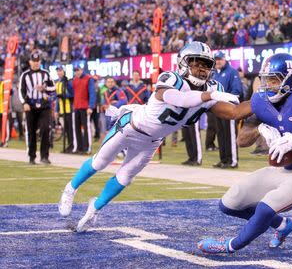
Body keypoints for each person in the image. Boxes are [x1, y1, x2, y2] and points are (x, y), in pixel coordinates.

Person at [58, 42, 252, 232]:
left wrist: (266, 99)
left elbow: (235, 112)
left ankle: (94, 208)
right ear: (183, 62)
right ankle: (70, 188)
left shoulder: (211, 89)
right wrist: (210, 96)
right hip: (131, 126)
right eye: (196, 63)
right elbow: (179, 99)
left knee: (125, 177)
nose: (201, 69)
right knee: (100, 162)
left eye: (206, 65)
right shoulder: (172, 79)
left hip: (152, 141)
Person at [198, 53, 292, 254]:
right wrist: (259, 129)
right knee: (229, 203)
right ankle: (283, 225)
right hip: (282, 169)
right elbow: (242, 140)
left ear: (290, 79)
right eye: (265, 79)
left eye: (273, 79)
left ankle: (230, 245)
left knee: (266, 207)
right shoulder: (262, 101)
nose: (268, 85)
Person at [211, 51, 243, 168]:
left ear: (225, 59)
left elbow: (237, 90)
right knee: (221, 134)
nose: (218, 61)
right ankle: (223, 159)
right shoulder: (215, 73)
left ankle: (233, 160)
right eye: (216, 59)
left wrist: (227, 100)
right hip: (217, 107)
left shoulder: (232, 72)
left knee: (230, 134)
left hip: (228, 108)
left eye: (220, 59)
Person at [72, 66, 96, 155]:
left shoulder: (89, 79)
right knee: (77, 128)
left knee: (86, 128)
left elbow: (92, 93)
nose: (77, 72)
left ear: (82, 70)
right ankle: (79, 147)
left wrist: (90, 106)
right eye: (75, 71)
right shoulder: (74, 80)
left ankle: (87, 148)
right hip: (77, 107)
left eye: (78, 70)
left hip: (85, 107)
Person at [55, 67, 74, 153]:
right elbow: (57, 99)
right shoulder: (58, 82)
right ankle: (69, 145)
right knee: (66, 129)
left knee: (70, 129)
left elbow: (72, 94)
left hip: (68, 109)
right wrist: (56, 110)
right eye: (58, 71)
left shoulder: (68, 82)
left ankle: (72, 145)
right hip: (62, 110)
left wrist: (65, 96)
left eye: (60, 71)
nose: (59, 72)